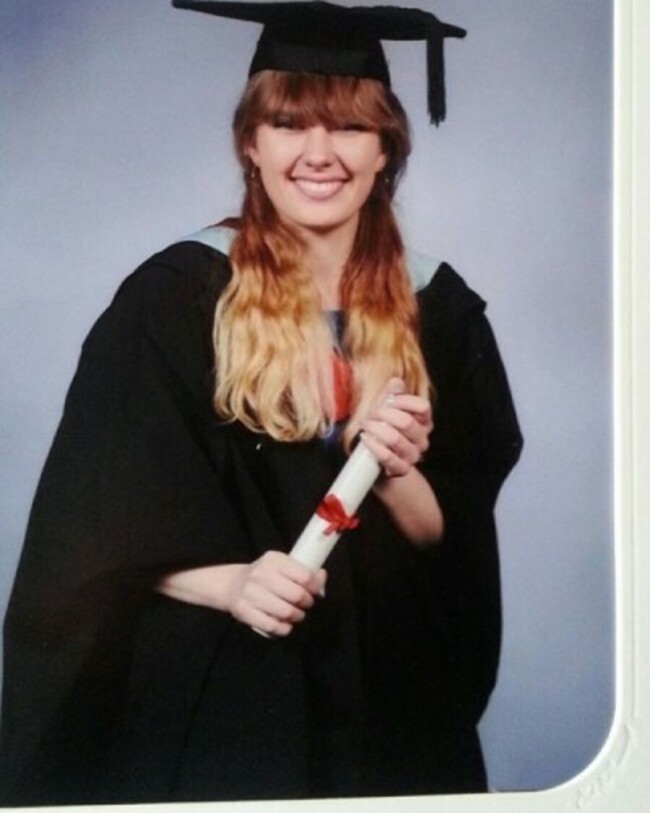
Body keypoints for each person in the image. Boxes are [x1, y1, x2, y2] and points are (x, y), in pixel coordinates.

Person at [0, 0, 523, 805]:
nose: (319, 153)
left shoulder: (441, 310)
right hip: (226, 698)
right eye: (288, 123)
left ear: (387, 148)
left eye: (349, 127)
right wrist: (230, 583)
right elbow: (90, 534)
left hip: (391, 705)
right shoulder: (173, 301)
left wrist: (392, 469)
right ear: (251, 141)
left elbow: (451, 537)